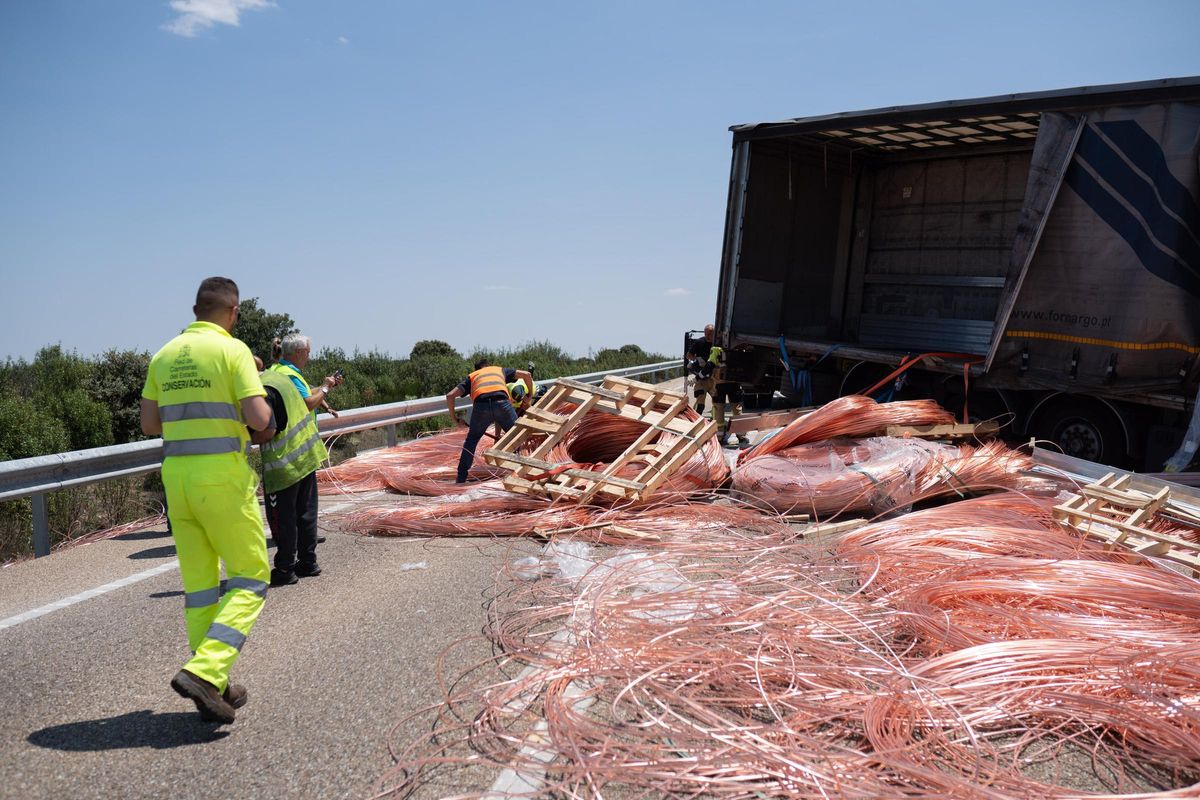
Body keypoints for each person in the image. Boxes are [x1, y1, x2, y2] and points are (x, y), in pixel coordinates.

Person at [140, 277, 272, 725]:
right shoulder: (232, 350)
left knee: (200, 589)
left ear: (196, 308)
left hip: (177, 480)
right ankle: (204, 669)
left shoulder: (163, 354)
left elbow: (149, 424)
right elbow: (259, 420)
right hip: (221, 479)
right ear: (233, 312)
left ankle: (213, 683)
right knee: (251, 577)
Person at [253, 338, 340, 587]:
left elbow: (267, 431)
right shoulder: (281, 378)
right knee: (305, 512)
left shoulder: (262, 387)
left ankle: (284, 568)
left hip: (284, 462)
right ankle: (308, 562)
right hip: (306, 453)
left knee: (283, 517)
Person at [446, 358, 533, 483]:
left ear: (477, 369)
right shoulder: (499, 370)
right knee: (517, 437)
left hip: (481, 406)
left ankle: (461, 478)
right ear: (488, 366)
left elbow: (450, 395)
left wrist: (455, 420)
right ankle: (523, 475)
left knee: (471, 441)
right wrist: (528, 397)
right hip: (502, 403)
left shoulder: (472, 376)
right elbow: (527, 374)